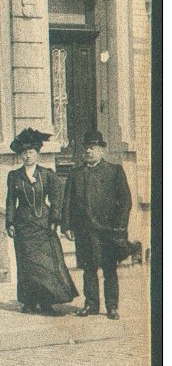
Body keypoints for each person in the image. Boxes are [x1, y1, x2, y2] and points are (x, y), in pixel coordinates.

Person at [5, 128, 77, 315]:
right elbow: (11, 201)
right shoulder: (14, 176)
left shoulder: (47, 174)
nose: (28, 156)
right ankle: (29, 302)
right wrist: (10, 223)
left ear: (37, 154)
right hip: (23, 227)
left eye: (31, 152)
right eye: (24, 153)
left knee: (47, 265)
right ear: (20, 156)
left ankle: (46, 302)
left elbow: (57, 198)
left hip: (44, 225)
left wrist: (54, 219)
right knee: (27, 265)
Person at [61, 130, 132, 320]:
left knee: (109, 269)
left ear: (102, 151)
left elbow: (125, 201)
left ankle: (112, 307)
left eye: (93, 148)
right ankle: (91, 304)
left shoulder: (114, 171)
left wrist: (120, 227)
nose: (88, 151)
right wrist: (66, 226)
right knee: (88, 268)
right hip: (85, 230)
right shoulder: (75, 174)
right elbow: (67, 201)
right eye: (86, 148)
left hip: (108, 231)